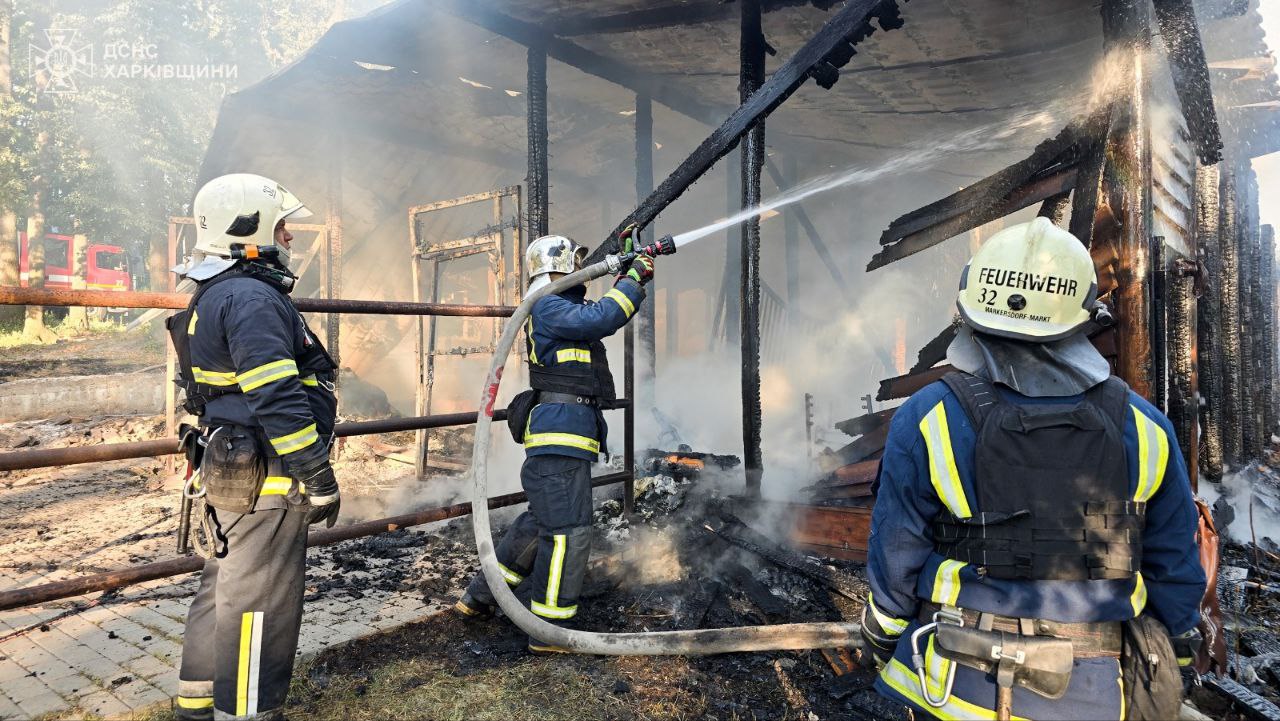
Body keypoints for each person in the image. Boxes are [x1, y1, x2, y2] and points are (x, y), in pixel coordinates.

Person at [861, 217, 1206, 720]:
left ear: (971, 311)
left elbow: (897, 553)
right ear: (1085, 317)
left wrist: (881, 634)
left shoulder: (928, 415)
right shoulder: (1145, 426)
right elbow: (1173, 563)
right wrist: (1175, 655)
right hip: (1098, 694)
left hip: (955, 688)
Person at [170, 174, 340, 721]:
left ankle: (197, 701)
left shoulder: (217, 290)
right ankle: (245, 712)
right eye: (282, 225)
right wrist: (316, 472)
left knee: (225, 585)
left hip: (230, 465)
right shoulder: (250, 297)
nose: (288, 236)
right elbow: (275, 392)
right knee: (258, 602)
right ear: (250, 227)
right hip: (267, 470)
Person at [454, 228, 653, 653]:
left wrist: (626, 271)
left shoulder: (559, 306)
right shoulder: (547, 304)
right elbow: (602, 318)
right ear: (558, 266)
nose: (582, 270)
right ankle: (550, 629)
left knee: (540, 521)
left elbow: (596, 314)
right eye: (576, 263)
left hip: (563, 434)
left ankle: (479, 597)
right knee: (569, 532)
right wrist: (634, 279)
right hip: (560, 434)